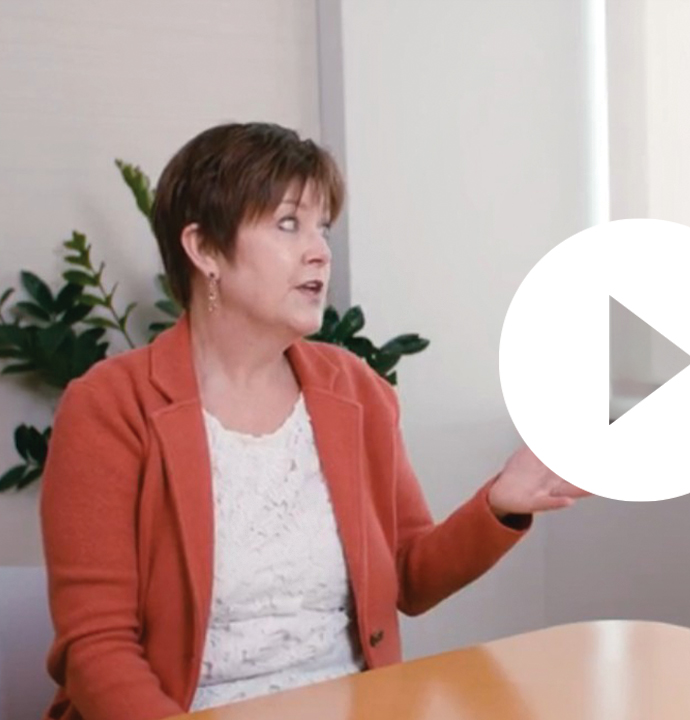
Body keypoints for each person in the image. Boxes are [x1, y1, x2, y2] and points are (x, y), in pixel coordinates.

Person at [39, 122, 587, 720]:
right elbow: (97, 649)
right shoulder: (110, 407)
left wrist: (502, 503)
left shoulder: (355, 391)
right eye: (287, 224)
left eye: (322, 227)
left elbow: (407, 575)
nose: (320, 251)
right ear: (203, 250)